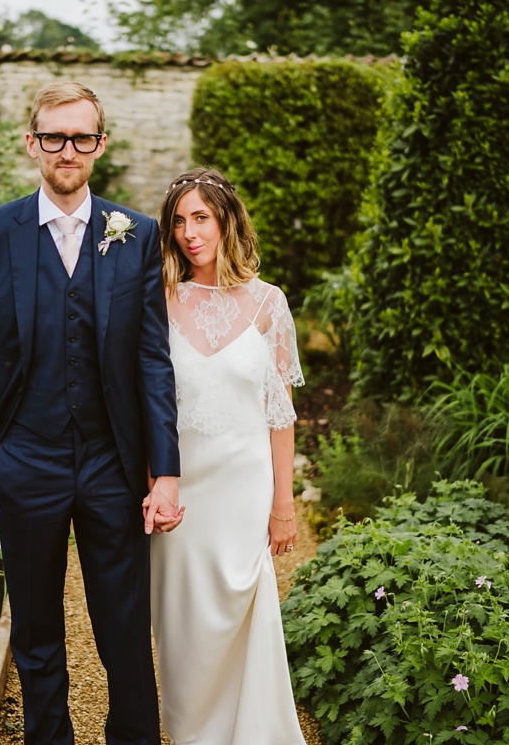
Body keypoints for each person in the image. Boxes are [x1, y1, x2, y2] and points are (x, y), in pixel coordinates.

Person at [0, 80, 183, 745]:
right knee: (36, 633)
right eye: (53, 136)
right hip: (25, 461)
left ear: (100, 144)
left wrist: (165, 472)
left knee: (125, 630)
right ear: (32, 141)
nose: (67, 150)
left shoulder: (136, 233)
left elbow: (153, 361)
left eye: (82, 137)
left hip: (113, 464)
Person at [151, 166, 307, 744]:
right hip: (181, 484)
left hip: (245, 488)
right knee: (183, 625)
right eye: (179, 222)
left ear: (226, 222)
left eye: (202, 218)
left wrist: (283, 506)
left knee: (245, 615)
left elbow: (280, 414)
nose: (190, 233)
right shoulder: (158, 299)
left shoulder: (270, 304)